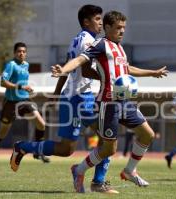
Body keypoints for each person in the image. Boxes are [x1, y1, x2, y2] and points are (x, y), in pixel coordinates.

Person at [50, 10, 168, 193]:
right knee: (109, 149)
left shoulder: (120, 48)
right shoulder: (100, 45)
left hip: (125, 102)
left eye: (124, 28)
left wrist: (152, 73)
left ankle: (129, 171)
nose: (122, 31)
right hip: (108, 104)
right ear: (107, 27)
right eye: (118, 28)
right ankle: (79, 170)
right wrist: (63, 70)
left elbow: (126, 69)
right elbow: (80, 60)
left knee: (148, 134)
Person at [8, 5, 119, 194]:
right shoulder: (88, 41)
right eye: (98, 19)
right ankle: (98, 182)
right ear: (86, 21)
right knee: (107, 138)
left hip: (72, 97)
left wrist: (57, 94)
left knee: (66, 149)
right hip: (82, 97)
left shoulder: (78, 39)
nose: (101, 23)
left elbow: (66, 69)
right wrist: (107, 77)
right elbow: (83, 70)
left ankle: (23, 147)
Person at [0, 42, 49, 171]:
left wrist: (27, 90)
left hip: (24, 100)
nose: (22, 53)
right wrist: (20, 87)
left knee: (41, 124)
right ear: (15, 53)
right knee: (2, 132)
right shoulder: (11, 65)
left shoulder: (26, 65)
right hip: (11, 103)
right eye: (19, 51)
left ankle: (38, 151)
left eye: (24, 51)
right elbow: (2, 82)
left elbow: (23, 82)